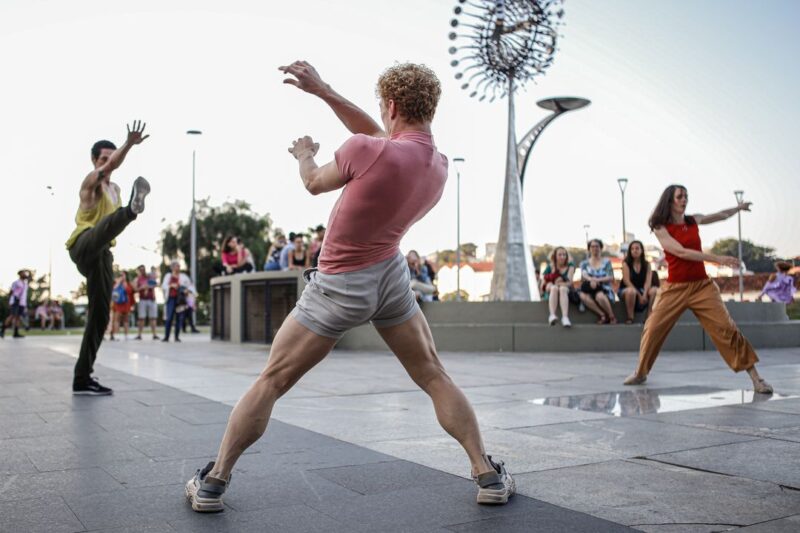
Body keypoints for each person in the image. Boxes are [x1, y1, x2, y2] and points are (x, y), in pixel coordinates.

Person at [185, 60, 514, 513]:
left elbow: (314, 183)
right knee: (433, 375)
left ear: (392, 105)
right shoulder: (436, 165)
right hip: (391, 279)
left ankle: (213, 482)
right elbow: (381, 139)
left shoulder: (367, 150)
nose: (378, 113)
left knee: (272, 380)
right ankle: (488, 475)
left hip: (340, 284)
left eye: (382, 106)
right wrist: (324, 91)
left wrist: (303, 151)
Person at [623, 184, 773, 393]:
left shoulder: (693, 220)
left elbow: (720, 215)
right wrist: (716, 259)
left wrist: (738, 208)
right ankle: (640, 372)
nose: (684, 200)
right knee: (653, 328)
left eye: (686, 196)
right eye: (679, 197)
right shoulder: (660, 227)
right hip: (675, 289)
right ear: (670, 201)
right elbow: (681, 252)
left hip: (703, 287)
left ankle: (756, 379)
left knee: (727, 329)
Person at [65, 121, 150, 395]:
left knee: (101, 316)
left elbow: (114, 167)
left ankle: (82, 377)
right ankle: (132, 211)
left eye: (109, 157)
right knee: (104, 227)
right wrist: (128, 144)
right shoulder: (91, 184)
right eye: (103, 158)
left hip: (102, 255)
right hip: (83, 244)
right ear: (94, 160)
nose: (108, 162)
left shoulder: (115, 190)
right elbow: (110, 167)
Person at [619, 240, 659, 324]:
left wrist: (644, 294)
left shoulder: (647, 264)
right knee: (631, 291)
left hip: (642, 289)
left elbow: (648, 281)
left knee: (655, 290)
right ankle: (630, 317)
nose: (634, 250)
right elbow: (626, 281)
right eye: (632, 249)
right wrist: (640, 295)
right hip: (627, 289)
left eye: (637, 248)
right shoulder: (626, 263)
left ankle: (649, 316)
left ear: (641, 250)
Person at [579, 239, 617, 324]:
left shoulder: (606, 262)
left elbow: (610, 277)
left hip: (604, 287)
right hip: (589, 287)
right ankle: (602, 315)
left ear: (601, 248)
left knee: (599, 296)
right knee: (582, 295)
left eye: (597, 246)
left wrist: (596, 280)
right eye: (592, 246)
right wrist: (591, 280)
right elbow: (584, 275)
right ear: (589, 249)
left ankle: (612, 316)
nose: (595, 248)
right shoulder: (584, 263)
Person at [540, 247, 577, 327]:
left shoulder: (570, 266)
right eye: (560, 255)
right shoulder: (550, 267)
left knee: (562, 288)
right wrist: (548, 286)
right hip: (552, 291)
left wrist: (557, 284)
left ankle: (565, 317)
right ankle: (552, 315)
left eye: (564, 255)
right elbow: (543, 285)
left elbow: (569, 283)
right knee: (554, 288)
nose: (562, 257)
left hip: (566, 291)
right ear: (555, 256)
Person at [162, 261, 196, 342]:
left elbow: (191, 286)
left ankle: (176, 337)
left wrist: (187, 290)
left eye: (179, 266)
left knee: (179, 318)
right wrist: (171, 285)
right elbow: (164, 285)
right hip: (171, 299)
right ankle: (166, 337)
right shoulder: (168, 276)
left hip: (180, 300)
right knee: (169, 318)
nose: (178, 268)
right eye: (177, 266)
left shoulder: (183, 276)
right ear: (172, 267)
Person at [1, 270, 31, 338]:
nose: (25, 274)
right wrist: (11, 301)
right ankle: (2, 330)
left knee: (18, 317)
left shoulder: (25, 284)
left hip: (22, 303)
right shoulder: (16, 283)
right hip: (15, 301)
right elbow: (11, 292)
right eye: (23, 273)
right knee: (12, 316)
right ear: (20, 274)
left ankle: (16, 333)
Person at [135, 265, 159, 340]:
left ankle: (154, 334)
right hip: (142, 300)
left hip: (151, 299)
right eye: (140, 270)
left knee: (153, 317)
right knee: (141, 318)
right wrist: (142, 287)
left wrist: (148, 286)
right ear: (138, 271)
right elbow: (135, 289)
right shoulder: (138, 279)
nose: (142, 271)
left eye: (143, 269)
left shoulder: (150, 277)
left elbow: (156, 284)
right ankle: (139, 335)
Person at [110, 272, 135, 340]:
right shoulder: (116, 283)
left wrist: (125, 284)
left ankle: (126, 335)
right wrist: (118, 282)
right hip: (118, 304)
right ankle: (116, 334)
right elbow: (113, 290)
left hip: (126, 304)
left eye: (123, 275)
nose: (122, 276)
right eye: (121, 275)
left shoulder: (127, 284)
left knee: (126, 320)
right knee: (117, 320)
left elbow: (129, 292)